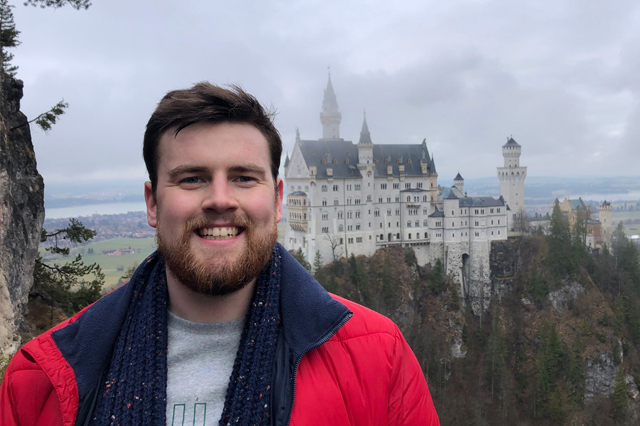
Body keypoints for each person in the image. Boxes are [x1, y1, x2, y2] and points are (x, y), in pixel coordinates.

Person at [0, 83, 440, 426]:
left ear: (279, 199)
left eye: (244, 178)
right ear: (152, 204)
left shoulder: (378, 358)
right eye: (192, 178)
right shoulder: (40, 381)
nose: (220, 199)